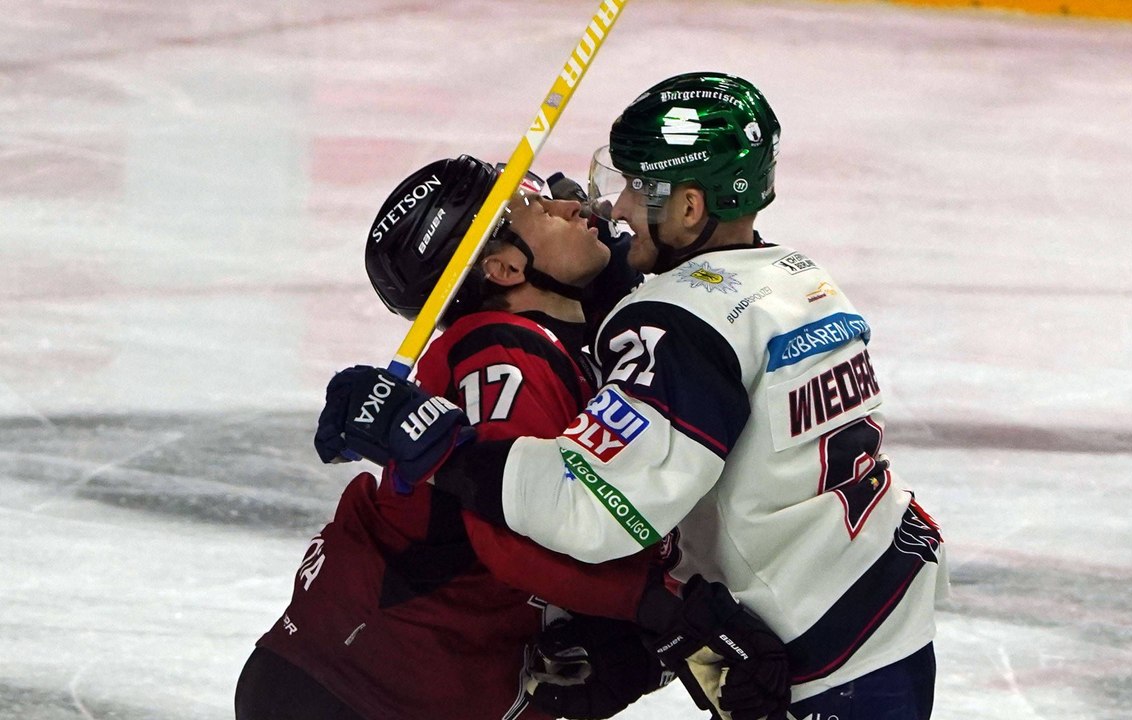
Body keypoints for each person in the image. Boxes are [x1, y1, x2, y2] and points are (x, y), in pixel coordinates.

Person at [319, 72, 951, 719]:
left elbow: (591, 511)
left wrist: (435, 441)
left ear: (687, 210)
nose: (614, 208)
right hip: (878, 599)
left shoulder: (673, 323)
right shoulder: (793, 276)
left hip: (818, 656)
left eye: (636, 188)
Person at [237, 155, 674, 720]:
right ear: (503, 269)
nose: (575, 207)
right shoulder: (506, 350)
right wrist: (664, 610)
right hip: (362, 689)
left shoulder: (547, 341)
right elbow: (515, 532)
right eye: (543, 208)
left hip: (369, 680)